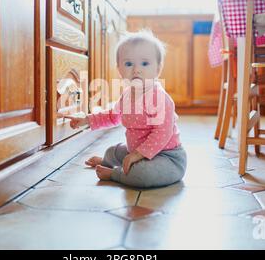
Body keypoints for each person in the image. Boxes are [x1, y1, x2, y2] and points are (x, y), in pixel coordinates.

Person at [66, 30, 187, 188]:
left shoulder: (159, 98)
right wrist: (86, 120)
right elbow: (112, 116)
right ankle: (106, 162)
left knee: (143, 174)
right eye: (129, 64)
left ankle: (115, 174)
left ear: (158, 68)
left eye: (144, 63)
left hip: (167, 157)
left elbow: (161, 133)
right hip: (136, 152)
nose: (136, 70)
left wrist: (137, 155)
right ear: (119, 70)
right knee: (111, 152)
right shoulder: (127, 95)